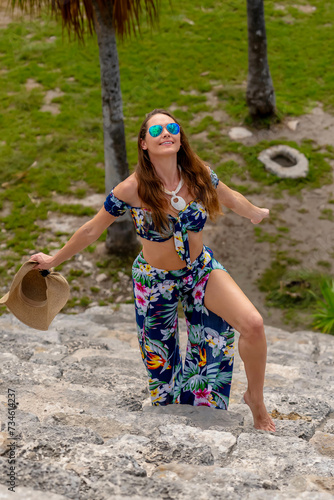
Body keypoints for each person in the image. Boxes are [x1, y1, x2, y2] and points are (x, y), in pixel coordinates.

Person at [30, 108, 276, 432]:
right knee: (163, 371)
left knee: (253, 324)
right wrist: (53, 260)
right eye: (156, 131)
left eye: (171, 127)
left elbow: (230, 198)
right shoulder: (131, 189)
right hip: (155, 282)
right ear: (143, 144)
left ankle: (255, 400)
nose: (166, 134)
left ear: (180, 137)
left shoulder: (199, 174)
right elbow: (92, 230)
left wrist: (255, 213)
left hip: (199, 271)